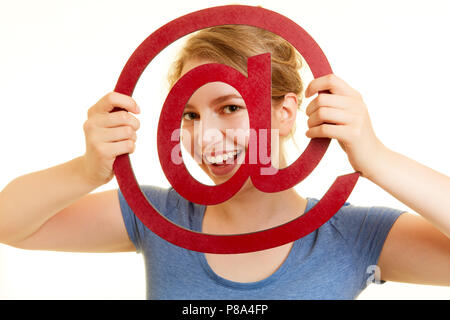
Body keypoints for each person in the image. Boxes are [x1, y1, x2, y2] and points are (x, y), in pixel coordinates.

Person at [0, 25, 448, 300]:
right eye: (190, 114)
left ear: (284, 112)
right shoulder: (159, 217)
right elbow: (9, 224)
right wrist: (86, 170)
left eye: (230, 107)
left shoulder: (350, 237)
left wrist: (377, 158)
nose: (205, 135)